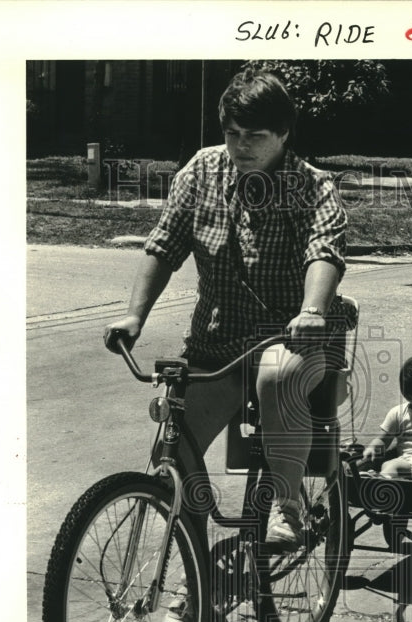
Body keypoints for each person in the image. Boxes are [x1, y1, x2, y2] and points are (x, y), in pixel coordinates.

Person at [103, 68, 348, 554]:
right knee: (178, 439)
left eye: (255, 136)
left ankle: (287, 504)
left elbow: (324, 250)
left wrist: (313, 309)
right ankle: (197, 578)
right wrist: (135, 316)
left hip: (292, 337)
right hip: (218, 343)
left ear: (283, 133)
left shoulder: (312, 185)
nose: (240, 145)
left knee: (278, 377)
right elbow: (163, 246)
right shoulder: (202, 170)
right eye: (232, 133)